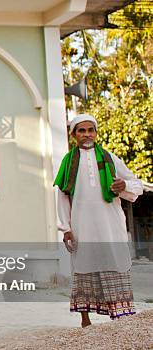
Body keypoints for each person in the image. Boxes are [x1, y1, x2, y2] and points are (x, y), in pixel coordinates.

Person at [54, 114, 143, 328]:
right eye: (81, 131)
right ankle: (85, 320)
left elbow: (134, 183)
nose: (87, 135)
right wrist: (65, 228)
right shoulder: (68, 163)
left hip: (110, 225)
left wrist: (124, 186)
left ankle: (120, 315)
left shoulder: (110, 158)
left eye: (90, 130)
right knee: (84, 266)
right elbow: (62, 197)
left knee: (115, 262)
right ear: (73, 134)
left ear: (96, 133)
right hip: (81, 226)